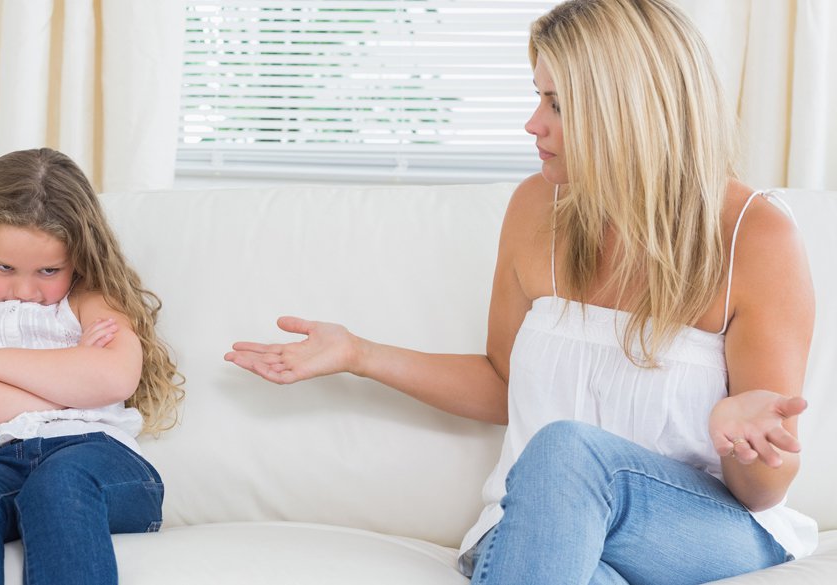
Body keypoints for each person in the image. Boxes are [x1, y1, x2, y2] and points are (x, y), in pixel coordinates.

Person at [225, 0, 817, 583]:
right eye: (538, 97)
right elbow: (504, 382)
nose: (534, 124)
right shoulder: (538, 207)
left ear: (629, 111)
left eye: (557, 104)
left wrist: (745, 442)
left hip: (698, 527)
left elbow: (763, 491)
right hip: (541, 528)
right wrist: (359, 354)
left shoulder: (754, 235)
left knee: (568, 452)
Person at [0, 147, 184, 585]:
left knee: (58, 484)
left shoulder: (90, 299)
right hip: (0, 461)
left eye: (48, 271)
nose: (24, 290)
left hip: (98, 461)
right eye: (4, 267)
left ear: (78, 258)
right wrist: (66, 380)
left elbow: (113, 377)